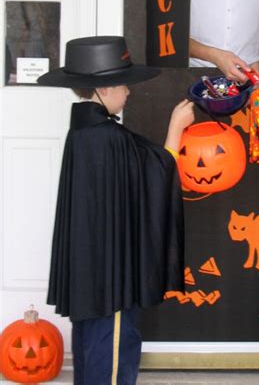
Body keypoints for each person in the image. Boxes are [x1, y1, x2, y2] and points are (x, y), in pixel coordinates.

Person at [37, 35, 194, 384]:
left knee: (91, 345)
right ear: (105, 89)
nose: (129, 92)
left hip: (90, 273)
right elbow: (158, 173)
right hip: (111, 278)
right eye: (124, 84)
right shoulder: (109, 138)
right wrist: (176, 129)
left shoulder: (82, 133)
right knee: (113, 351)